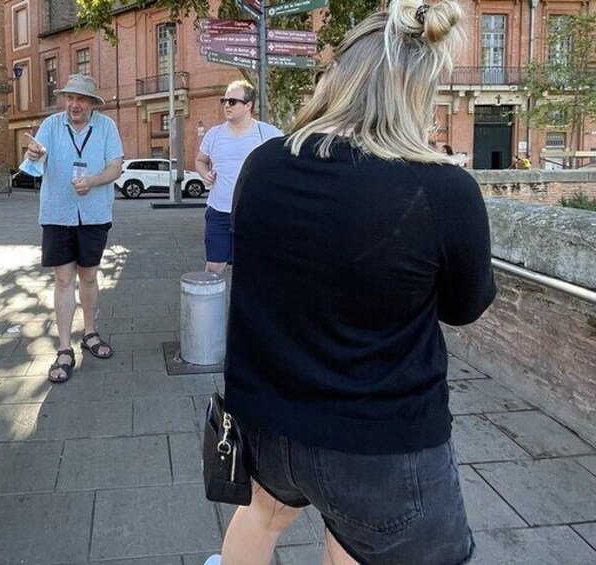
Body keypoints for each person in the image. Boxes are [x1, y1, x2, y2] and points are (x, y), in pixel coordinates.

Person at [206, 1, 496, 564]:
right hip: (381, 442)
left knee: (261, 518)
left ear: (340, 81)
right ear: (418, 92)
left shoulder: (264, 165)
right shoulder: (443, 191)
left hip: (270, 421)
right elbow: (464, 307)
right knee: (366, 532)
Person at [22, 74, 124, 383]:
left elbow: (116, 167)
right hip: (57, 213)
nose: (74, 104)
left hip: (94, 213)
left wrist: (92, 181)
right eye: (70, 98)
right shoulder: (51, 126)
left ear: (92, 103)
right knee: (63, 280)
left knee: (89, 278)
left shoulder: (107, 127)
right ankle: (64, 349)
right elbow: (33, 162)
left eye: (81, 99)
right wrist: (33, 155)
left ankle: (90, 333)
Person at [194, 80, 282, 274]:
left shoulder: (267, 133)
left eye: (232, 101)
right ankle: (208, 305)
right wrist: (204, 174)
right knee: (214, 266)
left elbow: (285, 162)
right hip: (219, 211)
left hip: (254, 213)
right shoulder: (214, 134)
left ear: (248, 105)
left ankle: (246, 304)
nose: (226, 105)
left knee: (252, 267)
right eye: (224, 100)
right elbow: (200, 160)